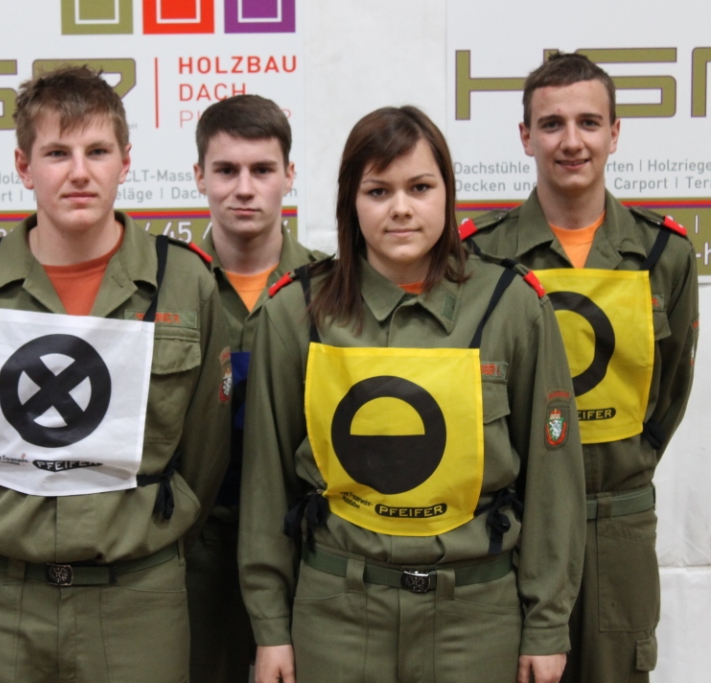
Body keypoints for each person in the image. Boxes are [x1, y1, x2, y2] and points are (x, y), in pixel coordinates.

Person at [238, 105, 586, 683]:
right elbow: (265, 484)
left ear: (447, 193)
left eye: (420, 187)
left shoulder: (512, 305)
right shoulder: (296, 311)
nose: (400, 208)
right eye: (378, 191)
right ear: (351, 201)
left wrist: (547, 625)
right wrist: (270, 626)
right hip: (337, 615)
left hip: (475, 618)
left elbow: (554, 481)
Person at [0, 66, 232, 683]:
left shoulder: (184, 282)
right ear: (23, 166)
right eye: (57, 153)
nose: (79, 172)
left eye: (97, 151)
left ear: (125, 162)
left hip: (137, 602)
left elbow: (205, 453)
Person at [461, 52, 699, 683]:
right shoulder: (480, 256)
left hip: (616, 521)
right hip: (513, 523)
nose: (572, 142)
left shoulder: (663, 253)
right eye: (552, 124)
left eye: (589, 123)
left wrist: (627, 462)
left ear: (614, 134)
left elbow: (670, 389)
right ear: (525, 136)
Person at [187, 94, 323, 682]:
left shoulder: (331, 291)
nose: (244, 189)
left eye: (262, 170)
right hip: (192, 551)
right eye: (226, 170)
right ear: (199, 177)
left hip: (304, 549)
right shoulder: (164, 289)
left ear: (289, 175)